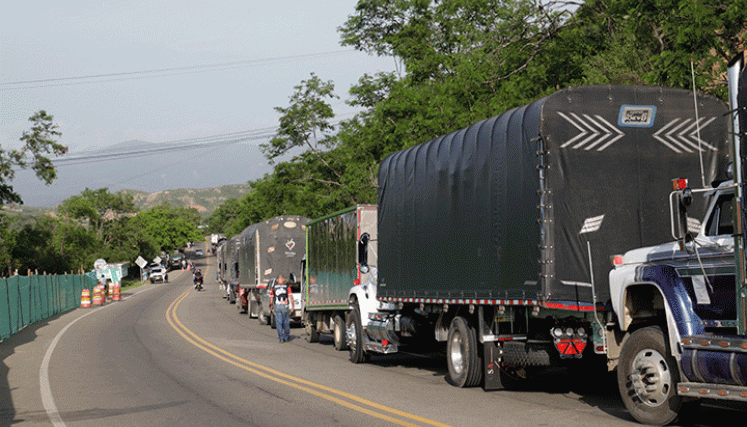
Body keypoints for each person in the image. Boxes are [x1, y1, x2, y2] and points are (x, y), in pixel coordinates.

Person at [270, 274, 294, 343]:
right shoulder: (287, 287)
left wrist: (271, 306)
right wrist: (292, 306)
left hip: (277, 306)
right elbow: (291, 297)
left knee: (279, 322)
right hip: (285, 306)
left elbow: (271, 298)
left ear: (277, 280)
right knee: (286, 322)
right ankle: (286, 336)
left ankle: (281, 337)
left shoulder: (274, 287)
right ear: (283, 280)